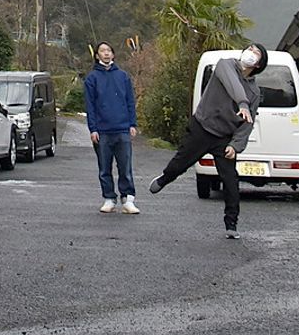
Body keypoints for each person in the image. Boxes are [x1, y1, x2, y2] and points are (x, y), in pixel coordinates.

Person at [149, 42, 267, 239]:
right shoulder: (225, 65)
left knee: (231, 181)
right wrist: (242, 102)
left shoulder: (254, 92)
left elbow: (248, 122)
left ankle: (231, 224)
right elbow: (233, 84)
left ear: (259, 64)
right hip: (202, 127)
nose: (251, 53)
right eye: (250, 49)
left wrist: (236, 145)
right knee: (180, 163)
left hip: (225, 138)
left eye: (256, 53)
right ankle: (164, 178)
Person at [84, 41, 140, 214]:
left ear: (113, 55)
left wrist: (132, 124)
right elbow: (90, 106)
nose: (106, 53)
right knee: (104, 167)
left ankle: (128, 199)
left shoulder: (123, 76)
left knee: (125, 167)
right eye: (102, 51)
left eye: (109, 50)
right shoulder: (92, 78)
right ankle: (109, 198)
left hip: (122, 129)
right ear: (97, 55)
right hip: (102, 131)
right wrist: (93, 128)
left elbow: (130, 101)